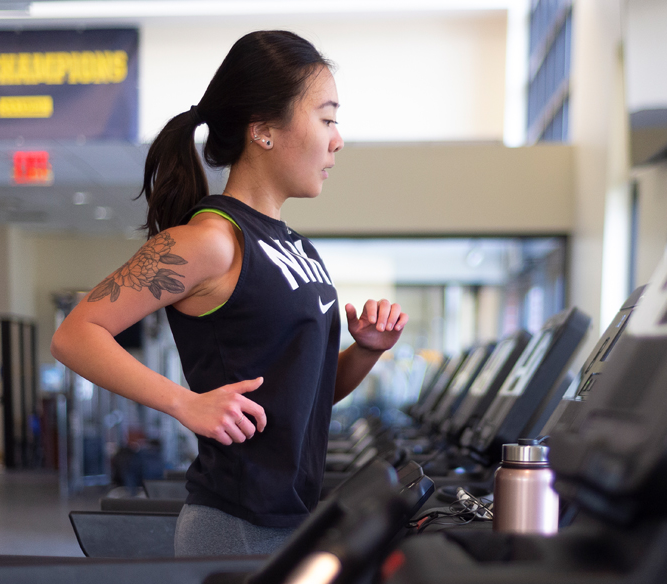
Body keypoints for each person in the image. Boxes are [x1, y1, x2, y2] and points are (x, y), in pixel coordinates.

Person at [50, 30, 407, 557]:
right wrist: (184, 404)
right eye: (327, 118)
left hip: (293, 518)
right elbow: (76, 334)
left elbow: (308, 396)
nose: (338, 139)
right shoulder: (210, 241)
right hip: (237, 523)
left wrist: (368, 350)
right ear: (263, 130)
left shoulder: (298, 248)